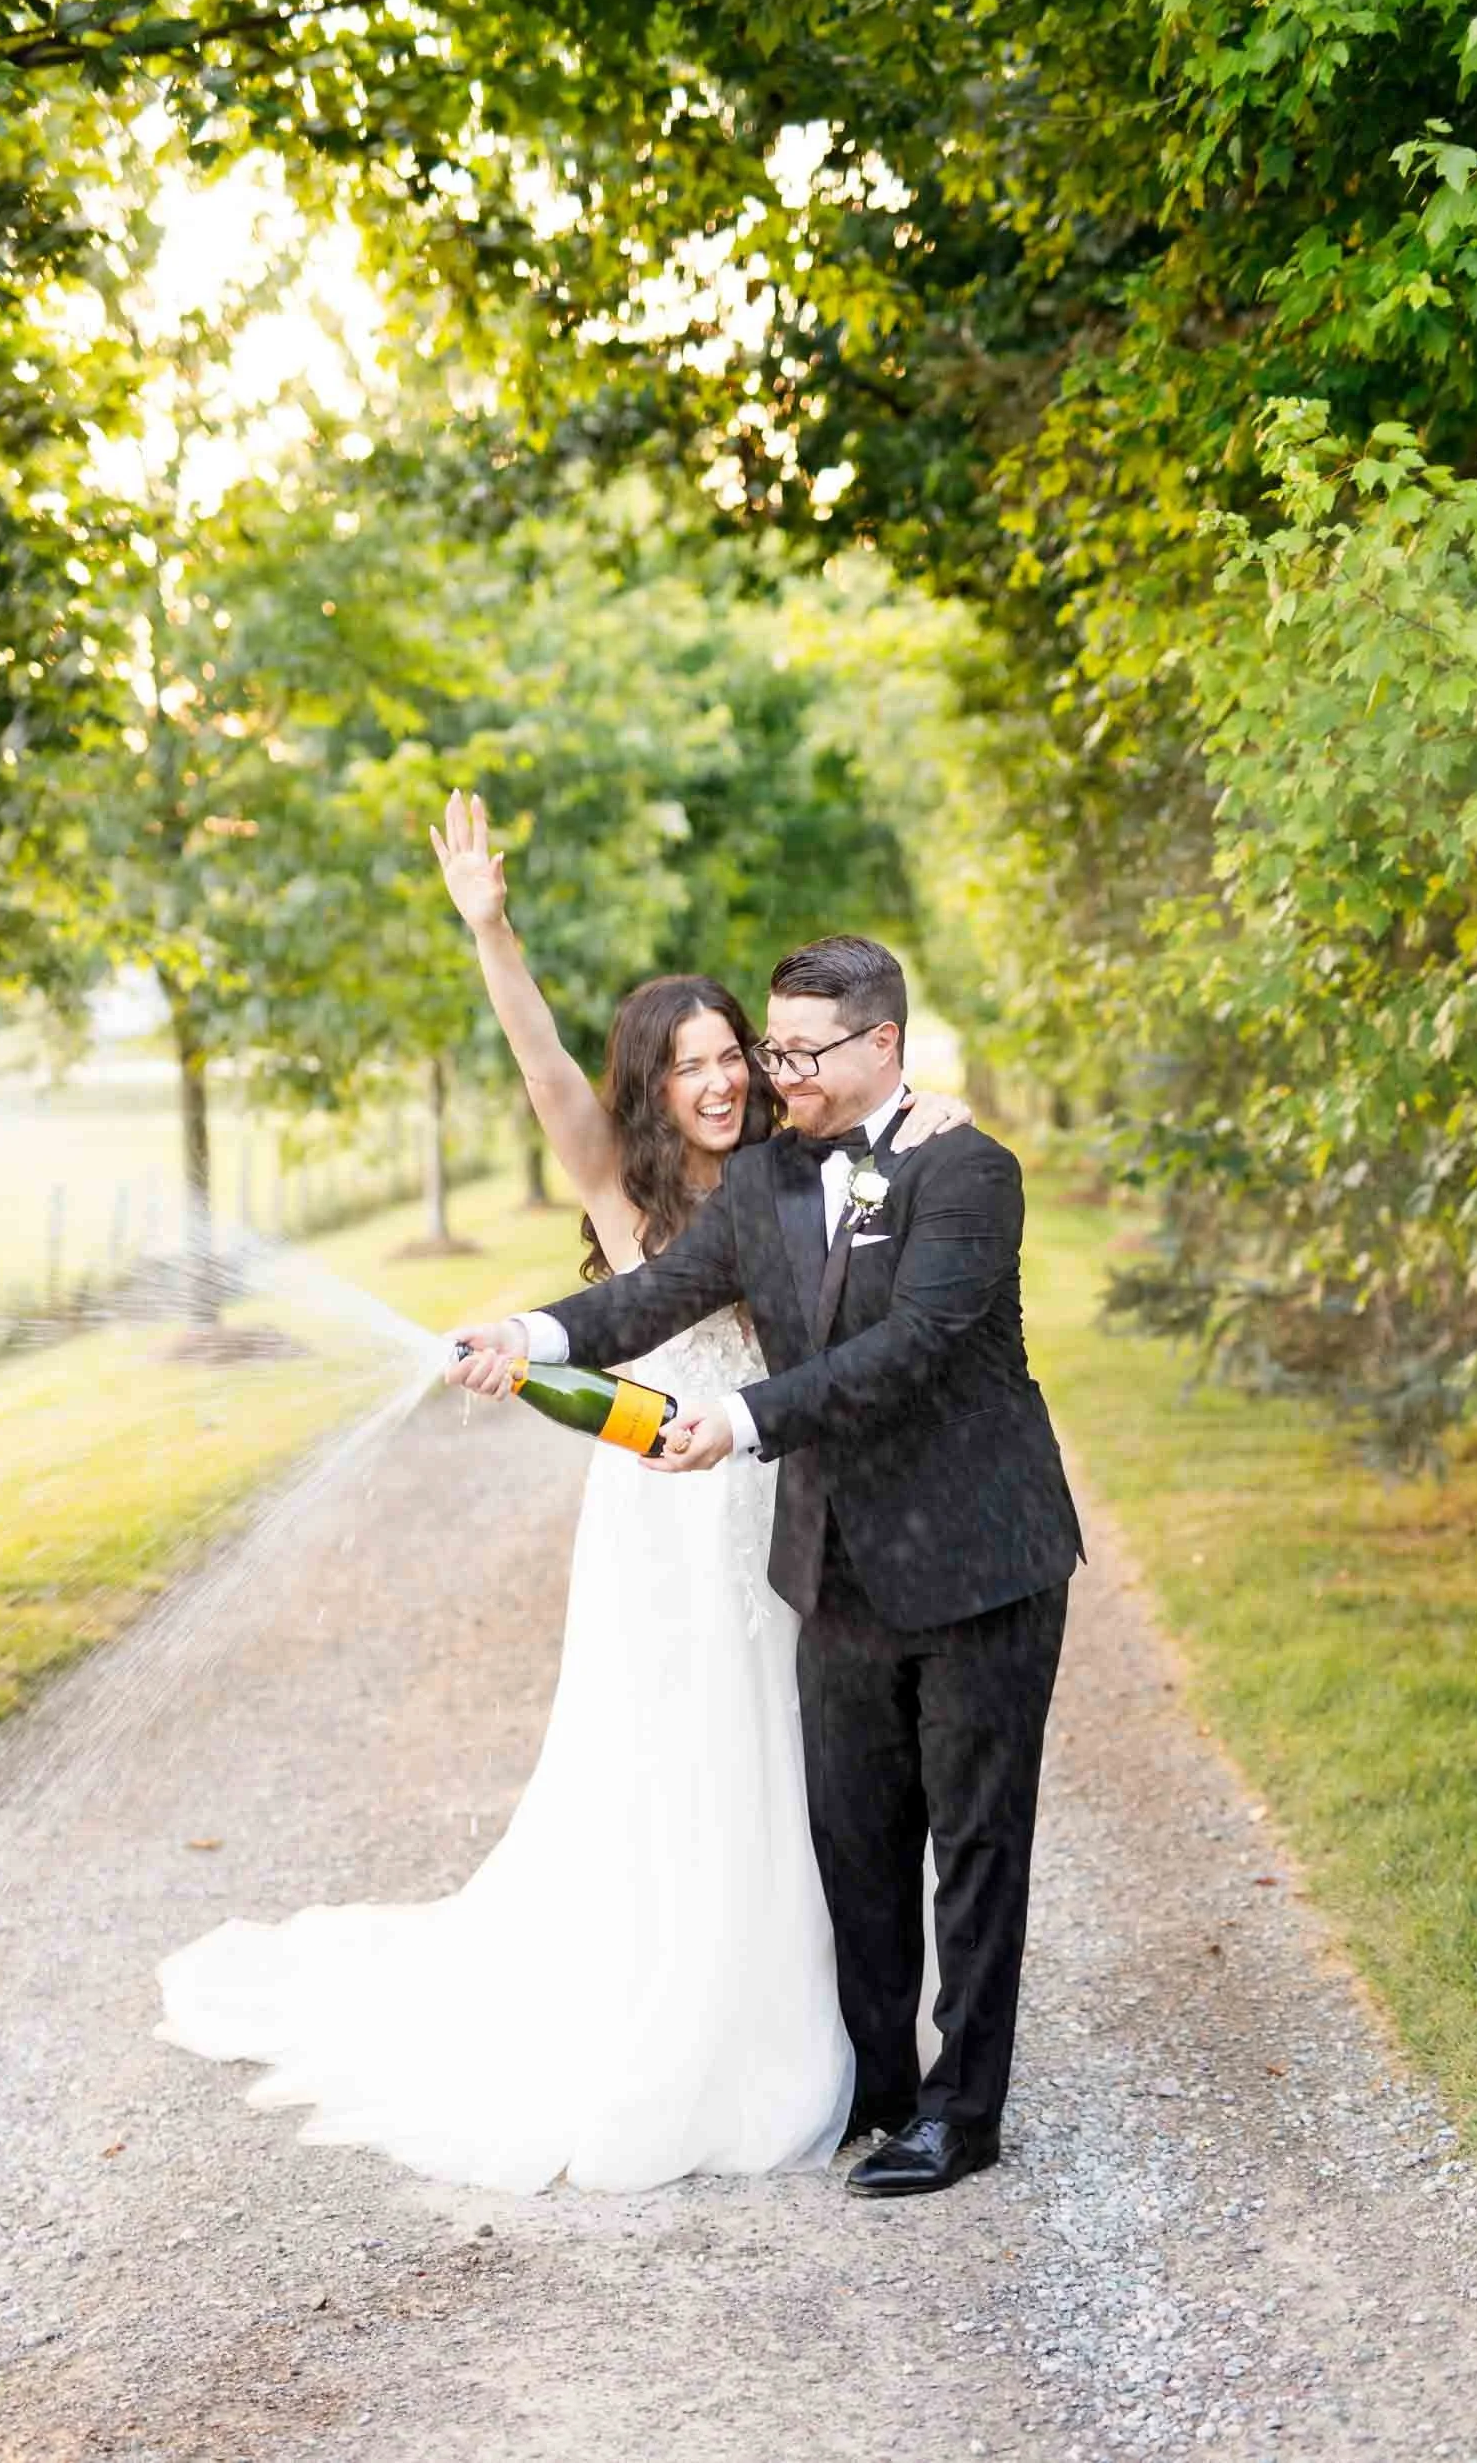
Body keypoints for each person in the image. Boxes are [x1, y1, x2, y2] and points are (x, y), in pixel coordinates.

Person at [154, 794, 971, 2193]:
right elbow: (539, 1073)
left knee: (804, 1768)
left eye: (733, 1057)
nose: (718, 1083)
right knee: (677, 1760)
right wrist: (490, 928)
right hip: (662, 1530)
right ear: (648, 1085)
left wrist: (929, 1127)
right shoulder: (620, 1190)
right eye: (689, 1065)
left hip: (778, 1510)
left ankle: (835, 2028)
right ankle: (684, 2019)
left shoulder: (802, 1167)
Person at [453, 931, 1084, 2198]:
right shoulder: (763, 1184)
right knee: (853, 1845)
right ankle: (882, 2091)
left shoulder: (968, 1171)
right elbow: (653, 1295)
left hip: (980, 1559)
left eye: (798, 1052)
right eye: (772, 1049)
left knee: (971, 1845)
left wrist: (739, 1423)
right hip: (834, 1569)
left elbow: (907, 1347)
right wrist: (526, 1332)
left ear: (882, 1045)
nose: (776, 1073)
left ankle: (963, 2112)